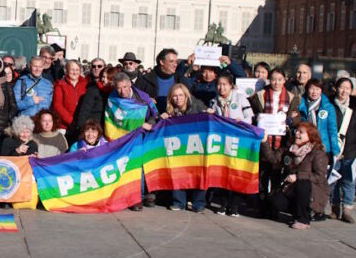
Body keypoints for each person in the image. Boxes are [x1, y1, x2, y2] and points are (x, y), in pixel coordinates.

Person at [251, 68, 301, 206]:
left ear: (284, 80)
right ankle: (261, 203)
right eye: (273, 79)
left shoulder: (292, 97)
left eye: (279, 80)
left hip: (281, 141)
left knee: (277, 174)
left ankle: (274, 203)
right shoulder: (260, 95)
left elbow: (297, 117)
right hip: (264, 139)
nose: (276, 83)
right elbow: (252, 112)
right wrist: (256, 119)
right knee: (262, 173)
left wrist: (290, 121)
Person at [109, 72, 157, 210]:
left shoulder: (142, 97)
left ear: (130, 84)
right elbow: (110, 118)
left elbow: (155, 114)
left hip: (142, 136)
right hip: (122, 136)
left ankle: (140, 197)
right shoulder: (112, 98)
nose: (122, 91)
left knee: (140, 166)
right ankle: (130, 196)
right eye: (118, 88)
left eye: (124, 87)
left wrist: (149, 124)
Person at [209, 71, 254, 217]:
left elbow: (250, 117)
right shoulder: (214, 101)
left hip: (238, 140)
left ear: (231, 85)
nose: (221, 88)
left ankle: (234, 206)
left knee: (236, 172)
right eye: (219, 84)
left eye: (224, 84)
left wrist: (242, 122)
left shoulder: (240, 98)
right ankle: (223, 205)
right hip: (222, 142)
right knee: (223, 173)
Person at [269, 122, 329, 229]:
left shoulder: (318, 153)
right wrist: (264, 141)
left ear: (311, 136)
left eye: (301, 132)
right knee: (274, 201)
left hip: (312, 193)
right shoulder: (291, 149)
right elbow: (273, 159)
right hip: (291, 189)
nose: (297, 133)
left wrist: (298, 177)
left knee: (302, 184)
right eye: (296, 131)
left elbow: (319, 176)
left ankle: (303, 219)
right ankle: (296, 211)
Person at [161, 83, 208, 212]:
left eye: (181, 95)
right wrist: (160, 118)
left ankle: (199, 203)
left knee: (199, 172)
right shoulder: (170, 111)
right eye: (175, 96)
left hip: (197, 145)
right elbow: (157, 122)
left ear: (186, 96)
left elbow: (209, 118)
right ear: (171, 98)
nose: (178, 98)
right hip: (179, 147)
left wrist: (209, 113)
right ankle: (178, 202)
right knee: (177, 171)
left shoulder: (198, 106)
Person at [330, 77, 356, 224]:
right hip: (334, 149)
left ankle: (347, 209)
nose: (344, 91)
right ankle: (334, 208)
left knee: (349, 181)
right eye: (342, 87)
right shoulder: (329, 104)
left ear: (351, 91)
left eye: (347, 88)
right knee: (333, 180)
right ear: (336, 88)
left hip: (351, 149)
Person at [135, 48, 191, 115]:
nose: (175, 65)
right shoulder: (145, 80)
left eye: (176, 62)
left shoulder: (180, 80)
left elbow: (191, 101)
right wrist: (145, 100)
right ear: (161, 62)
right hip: (152, 119)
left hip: (175, 119)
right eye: (171, 61)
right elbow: (133, 100)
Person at [299, 79, 339, 163]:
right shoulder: (301, 105)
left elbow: (332, 130)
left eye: (317, 89)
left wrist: (335, 151)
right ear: (307, 89)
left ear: (321, 90)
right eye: (312, 89)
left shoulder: (328, 107)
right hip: (305, 146)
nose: (314, 92)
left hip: (323, 146)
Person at [52, 59, 87, 140]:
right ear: (66, 70)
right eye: (72, 70)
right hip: (64, 125)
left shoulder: (85, 83)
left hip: (81, 124)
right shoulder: (60, 84)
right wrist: (71, 121)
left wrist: (80, 121)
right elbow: (57, 105)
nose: (75, 72)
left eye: (77, 70)